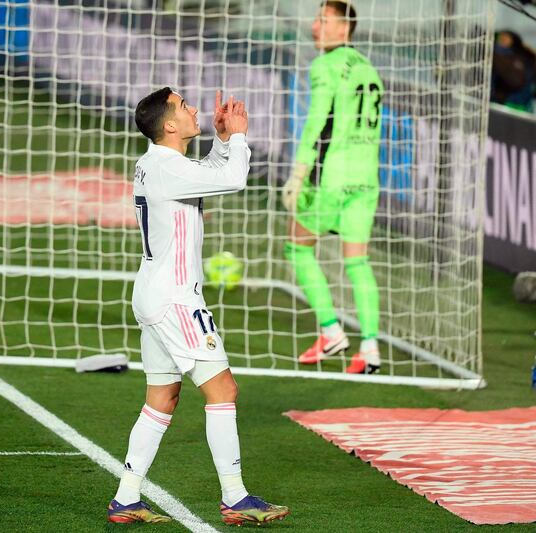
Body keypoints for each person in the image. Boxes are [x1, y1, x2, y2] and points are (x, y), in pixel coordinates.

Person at [106, 87, 289, 526]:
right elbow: (232, 179)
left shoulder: (158, 164)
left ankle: (126, 498)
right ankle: (235, 496)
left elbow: (205, 171)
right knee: (222, 390)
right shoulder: (167, 169)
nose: (193, 109)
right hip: (175, 298)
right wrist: (241, 138)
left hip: (154, 292)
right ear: (170, 125)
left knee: (162, 398)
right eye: (184, 106)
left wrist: (221, 142)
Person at [281, 1, 384, 374]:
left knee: (297, 247)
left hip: (332, 175)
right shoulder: (368, 69)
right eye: (316, 19)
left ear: (345, 29)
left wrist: (299, 173)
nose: (314, 26)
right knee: (357, 262)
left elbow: (317, 121)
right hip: (367, 177)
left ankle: (330, 330)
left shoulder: (326, 66)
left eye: (323, 20)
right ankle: (370, 348)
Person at [491, 30, 536, 112]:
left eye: (505, 38)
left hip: (519, 106)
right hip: (504, 105)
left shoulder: (523, 59)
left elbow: (516, 81)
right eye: (500, 38)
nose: (502, 40)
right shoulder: (498, 54)